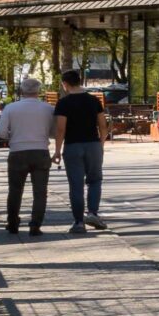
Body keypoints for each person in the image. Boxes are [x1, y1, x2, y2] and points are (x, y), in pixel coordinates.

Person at [0, 78, 57, 235]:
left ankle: (13, 222)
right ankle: (35, 225)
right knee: (40, 191)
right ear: (39, 91)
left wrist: (12, 136)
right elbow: (55, 132)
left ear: (21, 91)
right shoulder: (48, 108)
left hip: (17, 151)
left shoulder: (11, 108)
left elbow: (0, 131)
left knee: (15, 190)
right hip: (41, 151)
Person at [53, 68, 109, 232]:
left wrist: (57, 150)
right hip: (93, 145)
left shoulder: (63, 103)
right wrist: (101, 144)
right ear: (80, 82)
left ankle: (78, 222)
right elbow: (103, 126)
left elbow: (61, 129)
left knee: (76, 185)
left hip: (72, 146)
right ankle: (92, 213)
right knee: (95, 180)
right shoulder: (93, 100)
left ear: (65, 84)